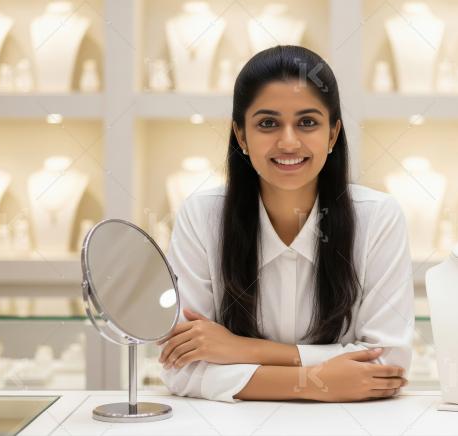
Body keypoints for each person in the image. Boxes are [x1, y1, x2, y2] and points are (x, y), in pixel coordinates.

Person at [158, 45, 414, 403]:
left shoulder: (378, 216)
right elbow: (180, 367)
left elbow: (387, 363)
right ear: (242, 136)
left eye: (307, 122)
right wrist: (314, 382)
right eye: (268, 123)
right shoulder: (201, 216)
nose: (289, 142)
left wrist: (237, 349)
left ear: (333, 133)